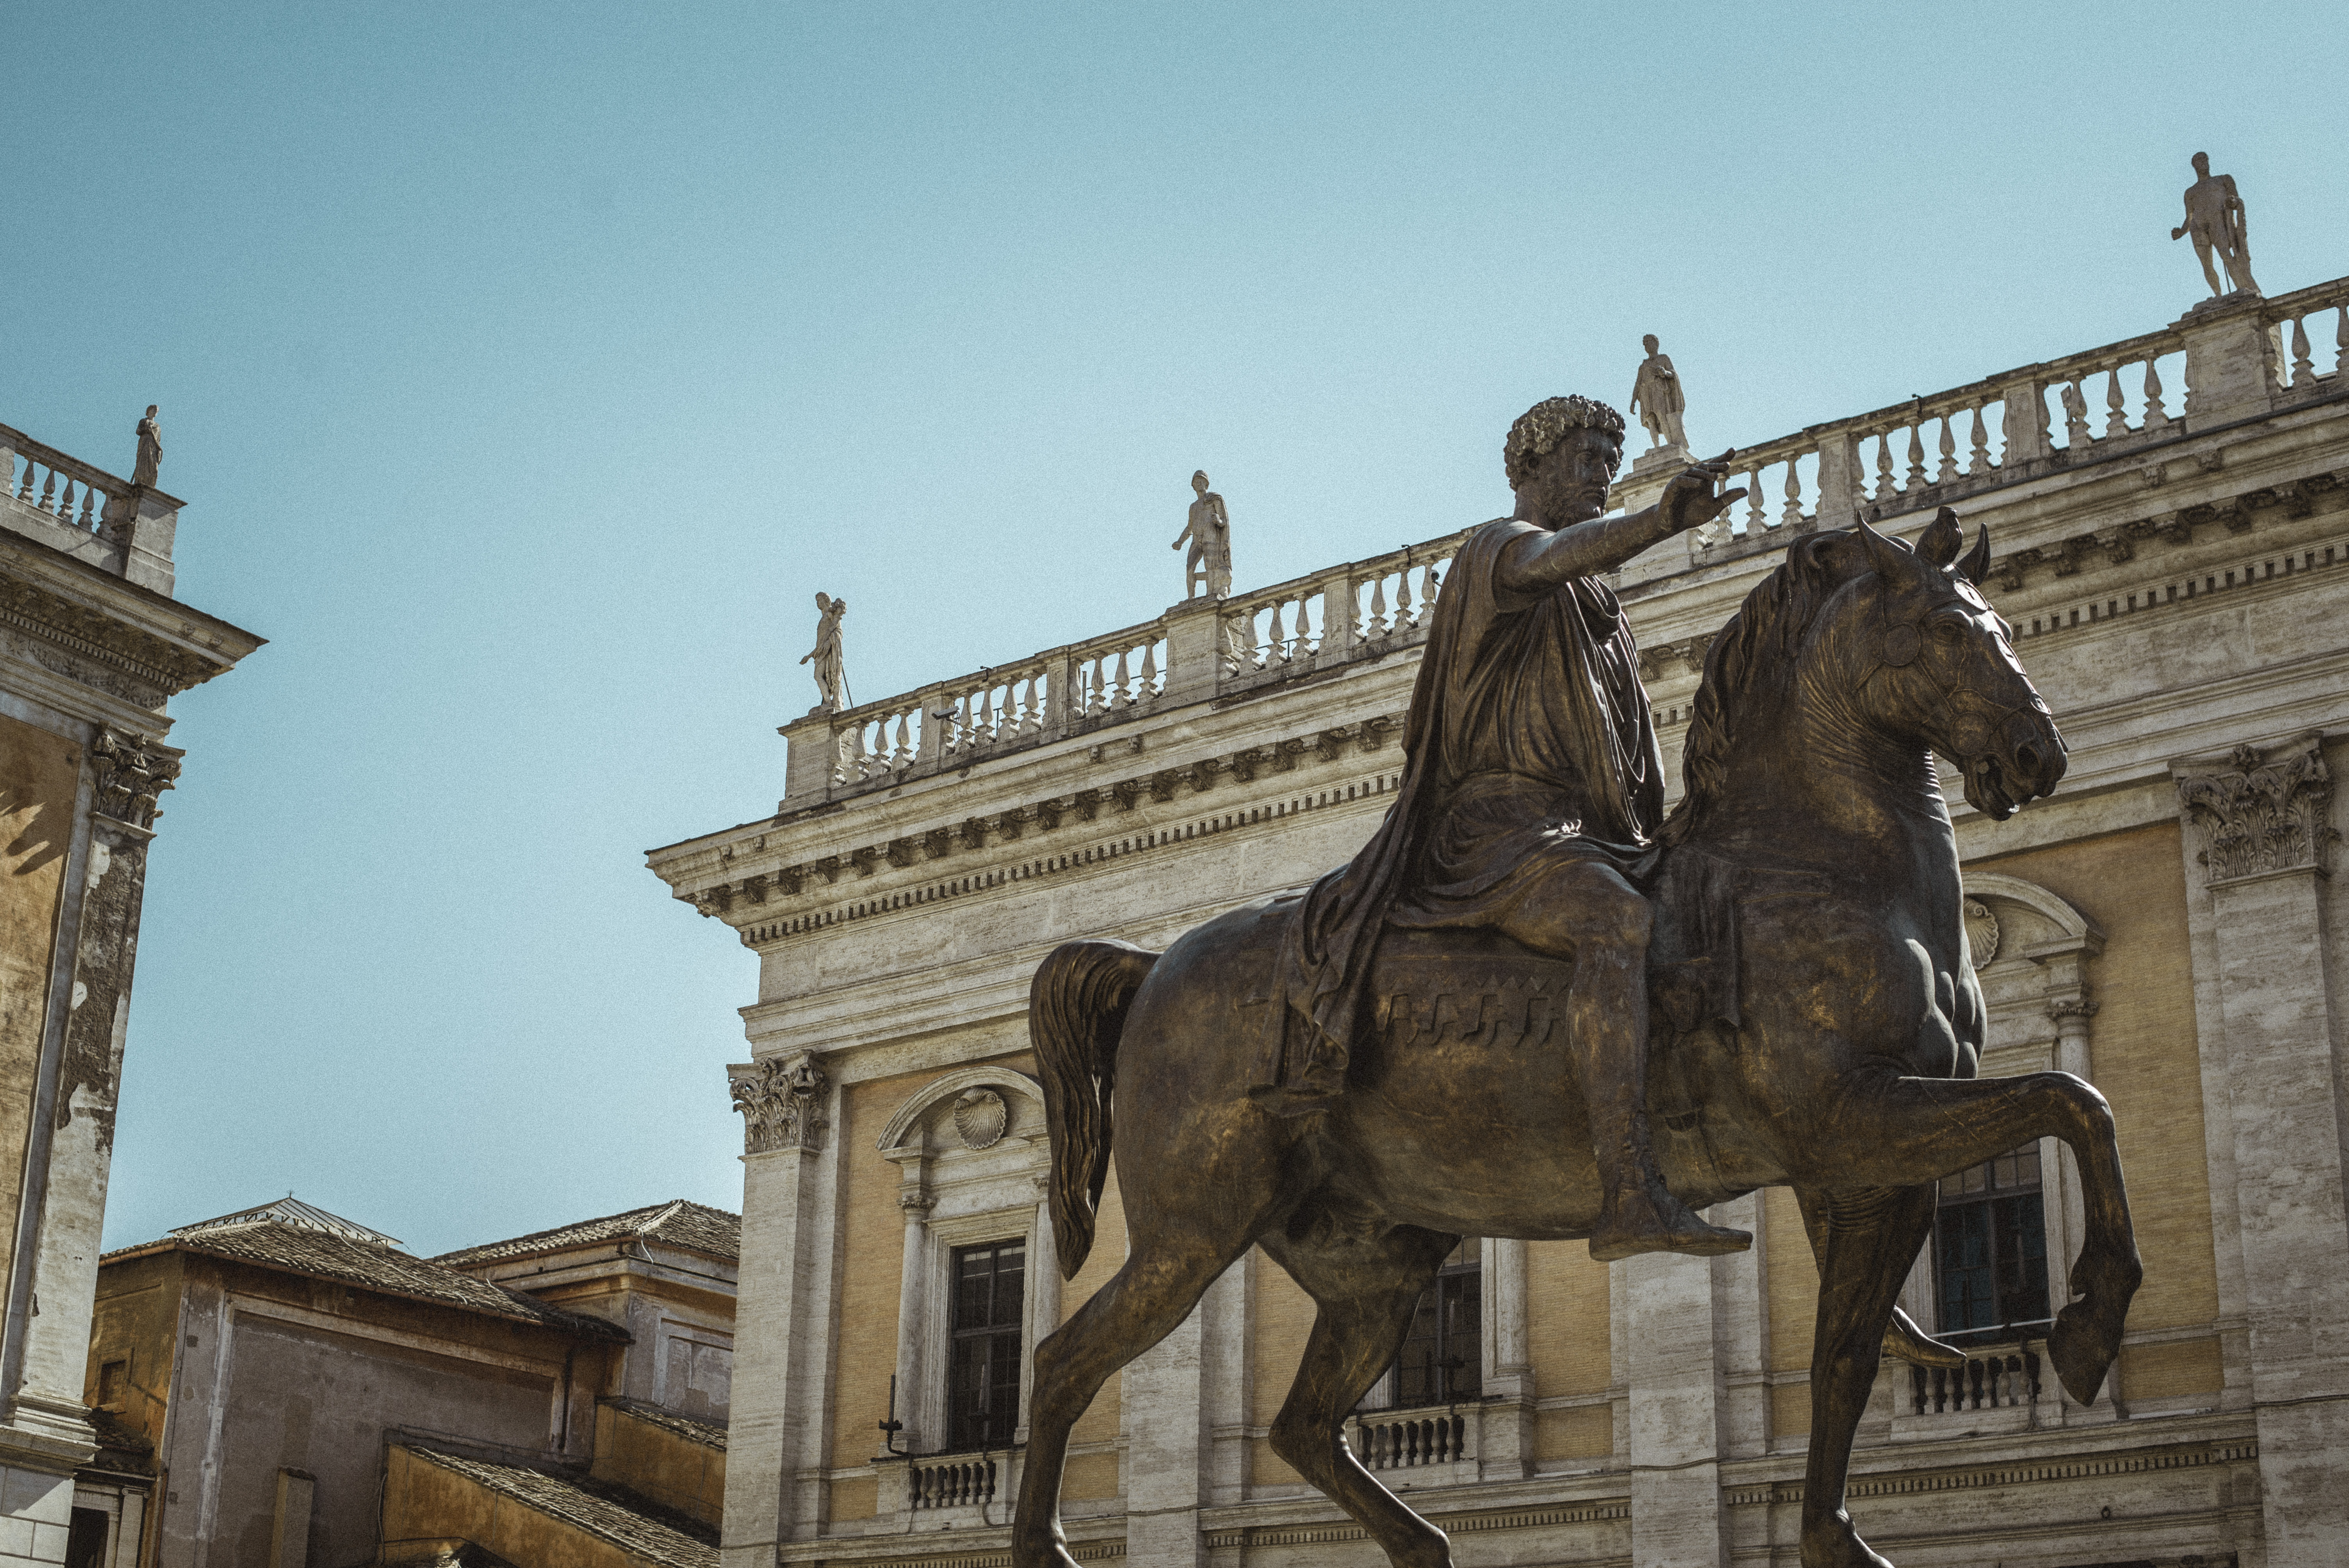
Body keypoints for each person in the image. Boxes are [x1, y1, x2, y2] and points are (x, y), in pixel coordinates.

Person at [1276, 394, 1751, 1261]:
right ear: (1531, 469)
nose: (1600, 481)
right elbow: (1552, 559)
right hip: (1498, 832)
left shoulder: (1597, 608)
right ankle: (1627, 1190)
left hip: (1580, 832)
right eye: (1585, 463)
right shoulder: (1497, 551)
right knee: (1613, 921)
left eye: (1610, 466)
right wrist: (1658, 519)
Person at [2172, 151, 2259, 299]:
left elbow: (2235, 199)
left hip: (2217, 221)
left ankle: (2243, 288)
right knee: (2207, 265)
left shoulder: (2222, 180)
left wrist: (2233, 202)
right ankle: (2218, 295)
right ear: (2194, 165)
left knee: (2226, 255)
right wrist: (2181, 232)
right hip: (2198, 227)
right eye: (2199, 161)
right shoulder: (2190, 192)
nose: (2203, 163)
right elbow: (2190, 217)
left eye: (2205, 160)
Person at [1172, 470, 1232, 599]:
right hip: (1197, 539)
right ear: (1193, 486)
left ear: (1207, 484)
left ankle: (1210, 595)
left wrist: (1219, 520)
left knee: (1210, 566)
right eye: (1196, 482)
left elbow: (1224, 520)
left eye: (1202, 481)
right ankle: (1190, 599)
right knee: (1190, 567)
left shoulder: (1214, 499)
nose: (1199, 484)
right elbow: (1190, 527)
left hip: (1210, 536)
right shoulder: (1193, 507)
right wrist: (1180, 542)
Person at [1627, 336, 1688, 451]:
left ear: (1656, 343)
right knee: (1650, 420)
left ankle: (1671, 443)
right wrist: (1633, 402)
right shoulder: (1643, 366)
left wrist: (1665, 373)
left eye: (1649, 342)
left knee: (1662, 416)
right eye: (1645, 344)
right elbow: (1638, 384)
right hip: (1645, 393)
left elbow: (1673, 373)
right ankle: (1656, 447)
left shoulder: (1664, 358)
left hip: (1659, 390)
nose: (1646, 346)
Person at [801, 592, 848, 709]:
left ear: (826, 601)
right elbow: (820, 642)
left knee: (819, 676)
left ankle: (828, 702)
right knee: (819, 676)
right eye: (817, 601)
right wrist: (809, 656)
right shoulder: (824, 617)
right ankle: (827, 702)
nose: (818, 603)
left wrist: (829, 643)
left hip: (828, 650)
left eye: (820, 600)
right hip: (821, 651)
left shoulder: (831, 614)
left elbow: (839, 631)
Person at [133, 406, 161, 488]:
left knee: (154, 468)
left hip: (154, 447)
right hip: (144, 444)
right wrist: (146, 430)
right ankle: (139, 483)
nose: (156, 412)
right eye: (154, 410)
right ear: (149, 410)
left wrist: (159, 451)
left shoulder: (158, 426)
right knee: (142, 464)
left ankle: (151, 486)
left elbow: (158, 440)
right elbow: (138, 431)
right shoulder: (144, 421)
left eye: (157, 411)